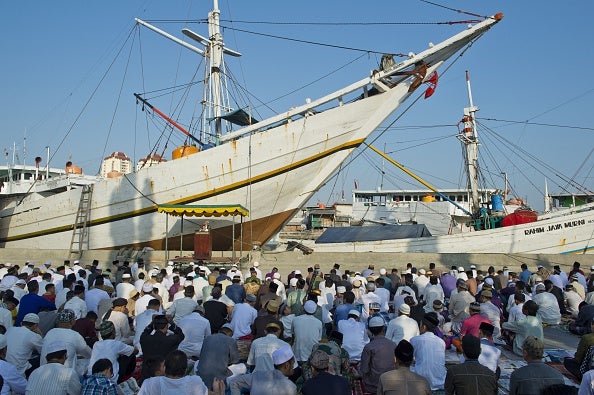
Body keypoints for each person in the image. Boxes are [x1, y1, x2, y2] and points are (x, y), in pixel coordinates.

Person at [138, 350, 219, 395]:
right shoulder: (195, 381)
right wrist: (217, 391)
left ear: (166, 367)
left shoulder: (150, 383)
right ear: (185, 369)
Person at [229, 344, 296, 395]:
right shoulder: (290, 387)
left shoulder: (257, 376)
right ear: (287, 365)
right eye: (293, 364)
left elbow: (234, 382)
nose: (293, 368)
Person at [196, 324, 242, 391]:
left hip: (202, 378)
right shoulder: (231, 340)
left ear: (219, 331)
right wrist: (226, 360)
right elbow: (235, 360)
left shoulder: (207, 338)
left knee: (197, 363)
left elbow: (202, 356)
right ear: (230, 336)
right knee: (243, 366)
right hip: (219, 380)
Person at [359, 316, 397, 394]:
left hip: (373, 387)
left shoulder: (369, 347)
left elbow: (364, 369)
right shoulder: (393, 345)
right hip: (391, 385)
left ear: (370, 330)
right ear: (383, 329)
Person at [410, 313, 446, 391]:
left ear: (424, 327)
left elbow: (410, 360)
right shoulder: (441, 342)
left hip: (421, 385)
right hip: (440, 384)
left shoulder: (415, 340)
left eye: (420, 326)